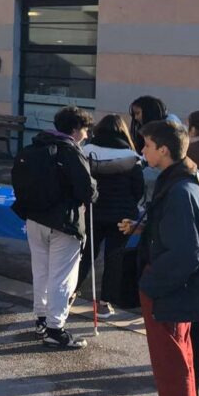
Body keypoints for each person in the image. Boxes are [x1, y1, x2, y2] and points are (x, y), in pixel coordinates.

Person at [128, 120, 199, 396]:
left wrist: (151, 283)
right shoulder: (192, 178)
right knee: (181, 362)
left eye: (147, 144)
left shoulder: (180, 189)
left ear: (163, 150)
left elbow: (187, 252)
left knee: (172, 367)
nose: (143, 150)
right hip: (179, 288)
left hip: (169, 288)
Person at [10, 105, 96, 349]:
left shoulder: (34, 147)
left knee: (42, 271)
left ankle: (41, 319)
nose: (87, 135)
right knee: (62, 277)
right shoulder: (71, 151)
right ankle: (55, 329)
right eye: (86, 130)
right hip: (64, 222)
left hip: (34, 218)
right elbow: (87, 191)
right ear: (76, 129)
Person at [77, 114, 144, 317]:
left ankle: (71, 291)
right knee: (114, 258)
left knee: (86, 254)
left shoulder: (86, 151)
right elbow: (138, 189)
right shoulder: (131, 156)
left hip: (92, 213)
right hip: (122, 216)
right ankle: (105, 303)